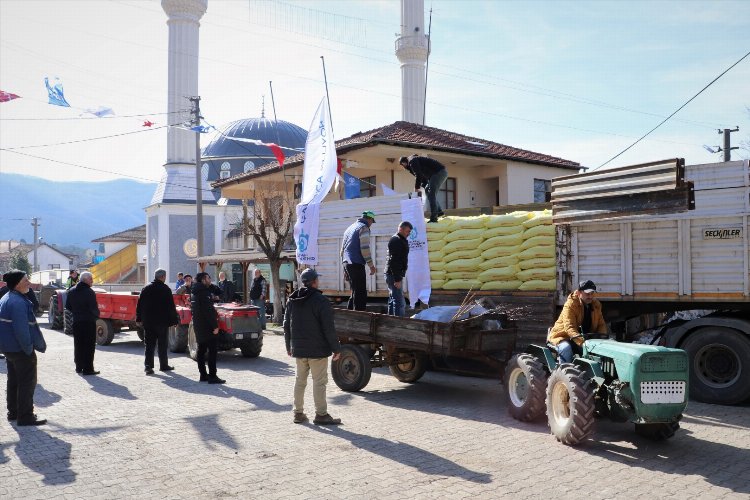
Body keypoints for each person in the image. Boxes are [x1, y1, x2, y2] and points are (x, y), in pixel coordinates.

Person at [284, 268, 342, 425]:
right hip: (317, 350)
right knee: (319, 382)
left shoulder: (292, 299)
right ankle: (321, 414)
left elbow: (286, 325)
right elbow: (328, 328)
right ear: (314, 282)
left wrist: (289, 345)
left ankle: (298, 413)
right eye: (317, 280)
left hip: (299, 349)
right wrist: (336, 349)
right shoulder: (321, 301)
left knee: (300, 381)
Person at [0, 270, 47, 426]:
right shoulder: (18, 302)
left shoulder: (7, 297)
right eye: (26, 280)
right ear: (18, 283)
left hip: (9, 349)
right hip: (20, 350)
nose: (29, 282)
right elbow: (22, 330)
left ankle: (13, 412)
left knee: (13, 381)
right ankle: (25, 416)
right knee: (27, 382)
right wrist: (28, 349)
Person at [547, 280, 608, 363]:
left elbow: (601, 325)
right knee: (565, 348)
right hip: (563, 336)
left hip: (584, 338)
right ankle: (564, 371)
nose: (590, 296)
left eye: (592, 293)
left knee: (601, 348)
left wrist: (602, 339)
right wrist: (582, 343)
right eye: (587, 294)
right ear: (579, 293)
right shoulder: (570, 304)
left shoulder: (596, 305)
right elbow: (569, 327)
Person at [136, 268, 180, 375]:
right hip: (162, 322)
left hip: (149, 322)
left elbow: (139, 305)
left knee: (149, 345)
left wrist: (139, 318)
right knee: (162, 344)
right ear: (163, 277)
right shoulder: (166, 289)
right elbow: (171, 307)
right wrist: (174, 320)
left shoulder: (146, 288)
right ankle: (163, 365)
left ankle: (148, 367)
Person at [190, 272, 225, 384]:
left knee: (201, 351)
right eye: (209, 278)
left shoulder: (195, 291)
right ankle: (213, 376)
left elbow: (219, 292)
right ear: (204, 279)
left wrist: (210, 286)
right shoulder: (204, 293)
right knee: (212, 351)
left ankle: (203, 375)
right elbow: (208, 312)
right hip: (207, 327)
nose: (210, 280)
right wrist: (215, 326)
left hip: (198, 325)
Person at [340, 211, 377, 311]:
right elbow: (364, 248)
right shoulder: (364, 228)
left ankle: (350, 315)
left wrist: (344, 267)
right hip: (356, 263)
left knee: (355, 291)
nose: (371, 224)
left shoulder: (350, 227)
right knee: (360, 292)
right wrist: (371, 266)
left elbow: (342, 250)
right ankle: (360, 317)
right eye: (372, 221)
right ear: (369, 219)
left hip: (347, 263)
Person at [65, 271, 100, 375]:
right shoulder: (89, 292)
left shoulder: (71, 291)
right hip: (88, 322)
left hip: (77, 321)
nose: (92, 281)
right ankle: (88, 369)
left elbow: (68, 306)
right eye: (91, 279)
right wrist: (96, 315)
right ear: (85, 280)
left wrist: (77, 312)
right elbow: (93, 308)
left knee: (78, 344)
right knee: (89, 346)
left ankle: (79, 367)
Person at [399, 154, 448, 223]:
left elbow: (418, 175)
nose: (403, 167)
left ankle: (434, 219)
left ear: (403, 163)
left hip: (439, 172)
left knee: (431, 194)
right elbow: (423, 178)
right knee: (428, 191)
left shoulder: (412, 161)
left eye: (402, 165)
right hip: (435, 174)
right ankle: (439, 212)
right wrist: (424, 187)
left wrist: (416, 188)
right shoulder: (412, 165)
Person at [385, 221, 412, 317]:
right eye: (407, 231)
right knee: (399, 302)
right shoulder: (396, 240)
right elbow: (394, 261)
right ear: (401, 229)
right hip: (393, 275)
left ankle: (390, 321)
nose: (408, 234)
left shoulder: (401, 239)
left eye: (409, 232)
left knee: (393, 299)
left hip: (393, 274)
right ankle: (398, 323)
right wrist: (397, 279)